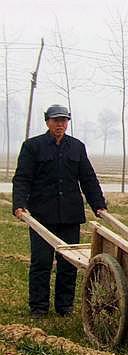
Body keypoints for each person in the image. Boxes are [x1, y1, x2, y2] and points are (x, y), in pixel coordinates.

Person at [12, 104, 107, 319]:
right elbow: (22, 178)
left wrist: (98, 204)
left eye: (64, 121)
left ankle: (64, 308)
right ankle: (39, 307)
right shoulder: (32, 146)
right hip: (42, 215)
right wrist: (19, 204)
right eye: (56, 120)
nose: (60, 124)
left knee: (68, 264)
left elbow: (88, 179)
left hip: (70, 216)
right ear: (47, 122)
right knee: (41, 262)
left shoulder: (76, 147)